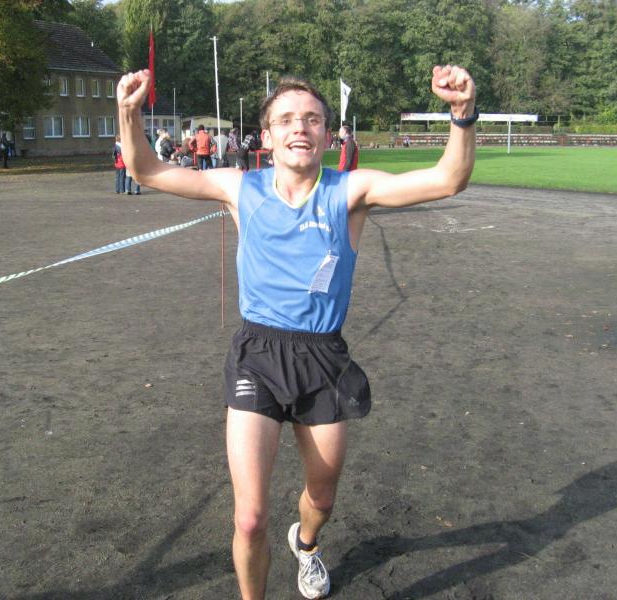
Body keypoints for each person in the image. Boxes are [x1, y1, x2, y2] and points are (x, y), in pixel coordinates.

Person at [117, 63, 476, 600]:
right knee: (249, 518)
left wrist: (463, 114)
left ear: (328, 135)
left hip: (323, 358)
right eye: (285, 119)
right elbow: (146, 169)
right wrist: (128, 112)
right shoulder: (239, 187)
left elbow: (448, 179)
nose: (299, 127)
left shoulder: (351, 191)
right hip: (257, 354)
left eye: (311, 118)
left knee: (322, 499)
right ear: (267, 137)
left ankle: (306, 544)